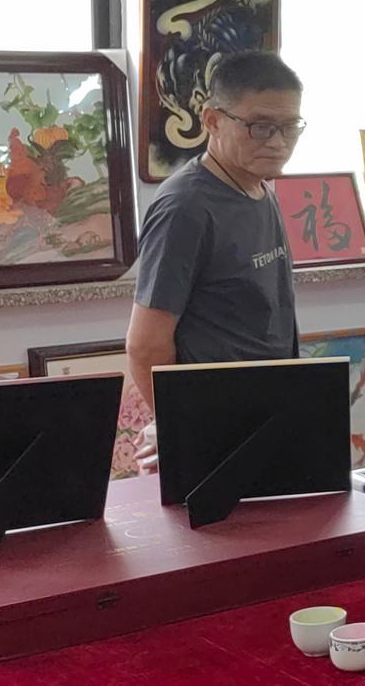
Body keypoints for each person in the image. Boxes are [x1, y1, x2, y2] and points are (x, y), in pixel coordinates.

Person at [126, 52, 306, 469]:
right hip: (217, 428)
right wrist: (179, 426)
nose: (278, 142)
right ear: (211, 120)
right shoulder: (185, 207)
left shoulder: (258, 188)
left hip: (269, 413)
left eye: (290, 127)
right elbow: (145, 345)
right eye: (260, 126)